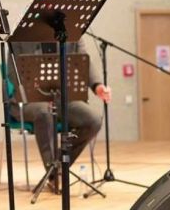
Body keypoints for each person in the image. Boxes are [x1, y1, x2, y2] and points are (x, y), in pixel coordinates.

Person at [9, 39, 110, 177]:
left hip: (62, 97)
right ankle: (53, 175)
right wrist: (33, 86)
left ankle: (59, 164)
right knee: (45, 111)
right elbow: (13, 73)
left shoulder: (71, 33)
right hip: (29, 100)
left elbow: (83, 62)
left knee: (93, 120)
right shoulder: (20, 36)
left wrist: (97, 85)